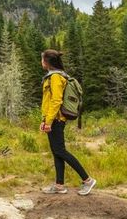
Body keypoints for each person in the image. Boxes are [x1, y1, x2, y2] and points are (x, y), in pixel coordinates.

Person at [40, 49, 96, 195]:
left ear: (47, 62)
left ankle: (87, 180)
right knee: (57, 152)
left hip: (57, 120)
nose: (41, 62)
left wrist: (49, 121)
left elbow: (56, 100)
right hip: (53, 119)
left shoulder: (56, 77)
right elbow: (48, 102)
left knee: (60, 151)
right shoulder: (53, 76)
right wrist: (44, 119)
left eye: (42, 59)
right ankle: (59, 185)